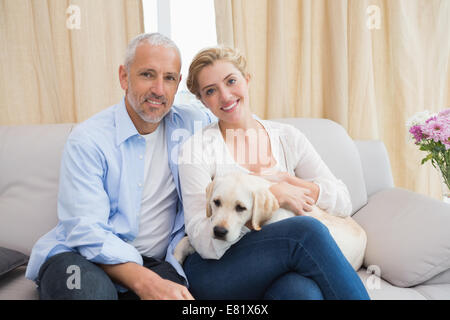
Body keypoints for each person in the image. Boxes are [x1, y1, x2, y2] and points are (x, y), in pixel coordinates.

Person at [25, 33, 216, 300]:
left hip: (154, 262)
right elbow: (85, 230)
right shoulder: (88, 139)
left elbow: (240, 118)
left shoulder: (192, 124)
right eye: (148, 75)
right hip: (80, 257)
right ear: (124, 77)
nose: (159, 90)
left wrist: (284, 184)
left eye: (169, 78)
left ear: (178, 84)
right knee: (85, 294)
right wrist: (144, 282)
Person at [178, 46, 371, 300]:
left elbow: (344, 200)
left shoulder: (287, 138)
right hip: (215, 269)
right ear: (203, 101)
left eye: (231, 81)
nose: (225, 96)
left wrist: (294, 184)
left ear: (247, 80)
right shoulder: (196, 149)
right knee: (305, 231)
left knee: (302, 293)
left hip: (277, 265)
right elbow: (202, 239)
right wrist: (272, 197)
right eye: (211, 91)